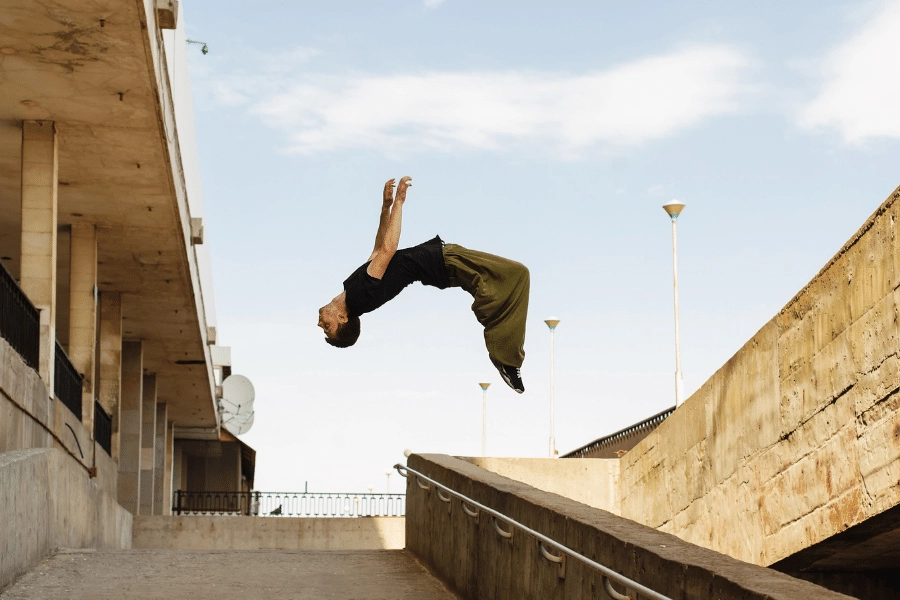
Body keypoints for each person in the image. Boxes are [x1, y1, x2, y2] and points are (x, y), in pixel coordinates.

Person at [317, 177, 530, 393]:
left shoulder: (352, 289)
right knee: (517, 274)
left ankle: (505, 355)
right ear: (343, 318)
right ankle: (507, 361)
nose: (320, 324)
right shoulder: (359, 297)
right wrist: (399, 201)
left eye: (324, 327)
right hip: (446, 263)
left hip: (444, 262)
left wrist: (385, 207)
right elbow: (388, 249)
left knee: (506, 283)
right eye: (328, 327)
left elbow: (378, 249)